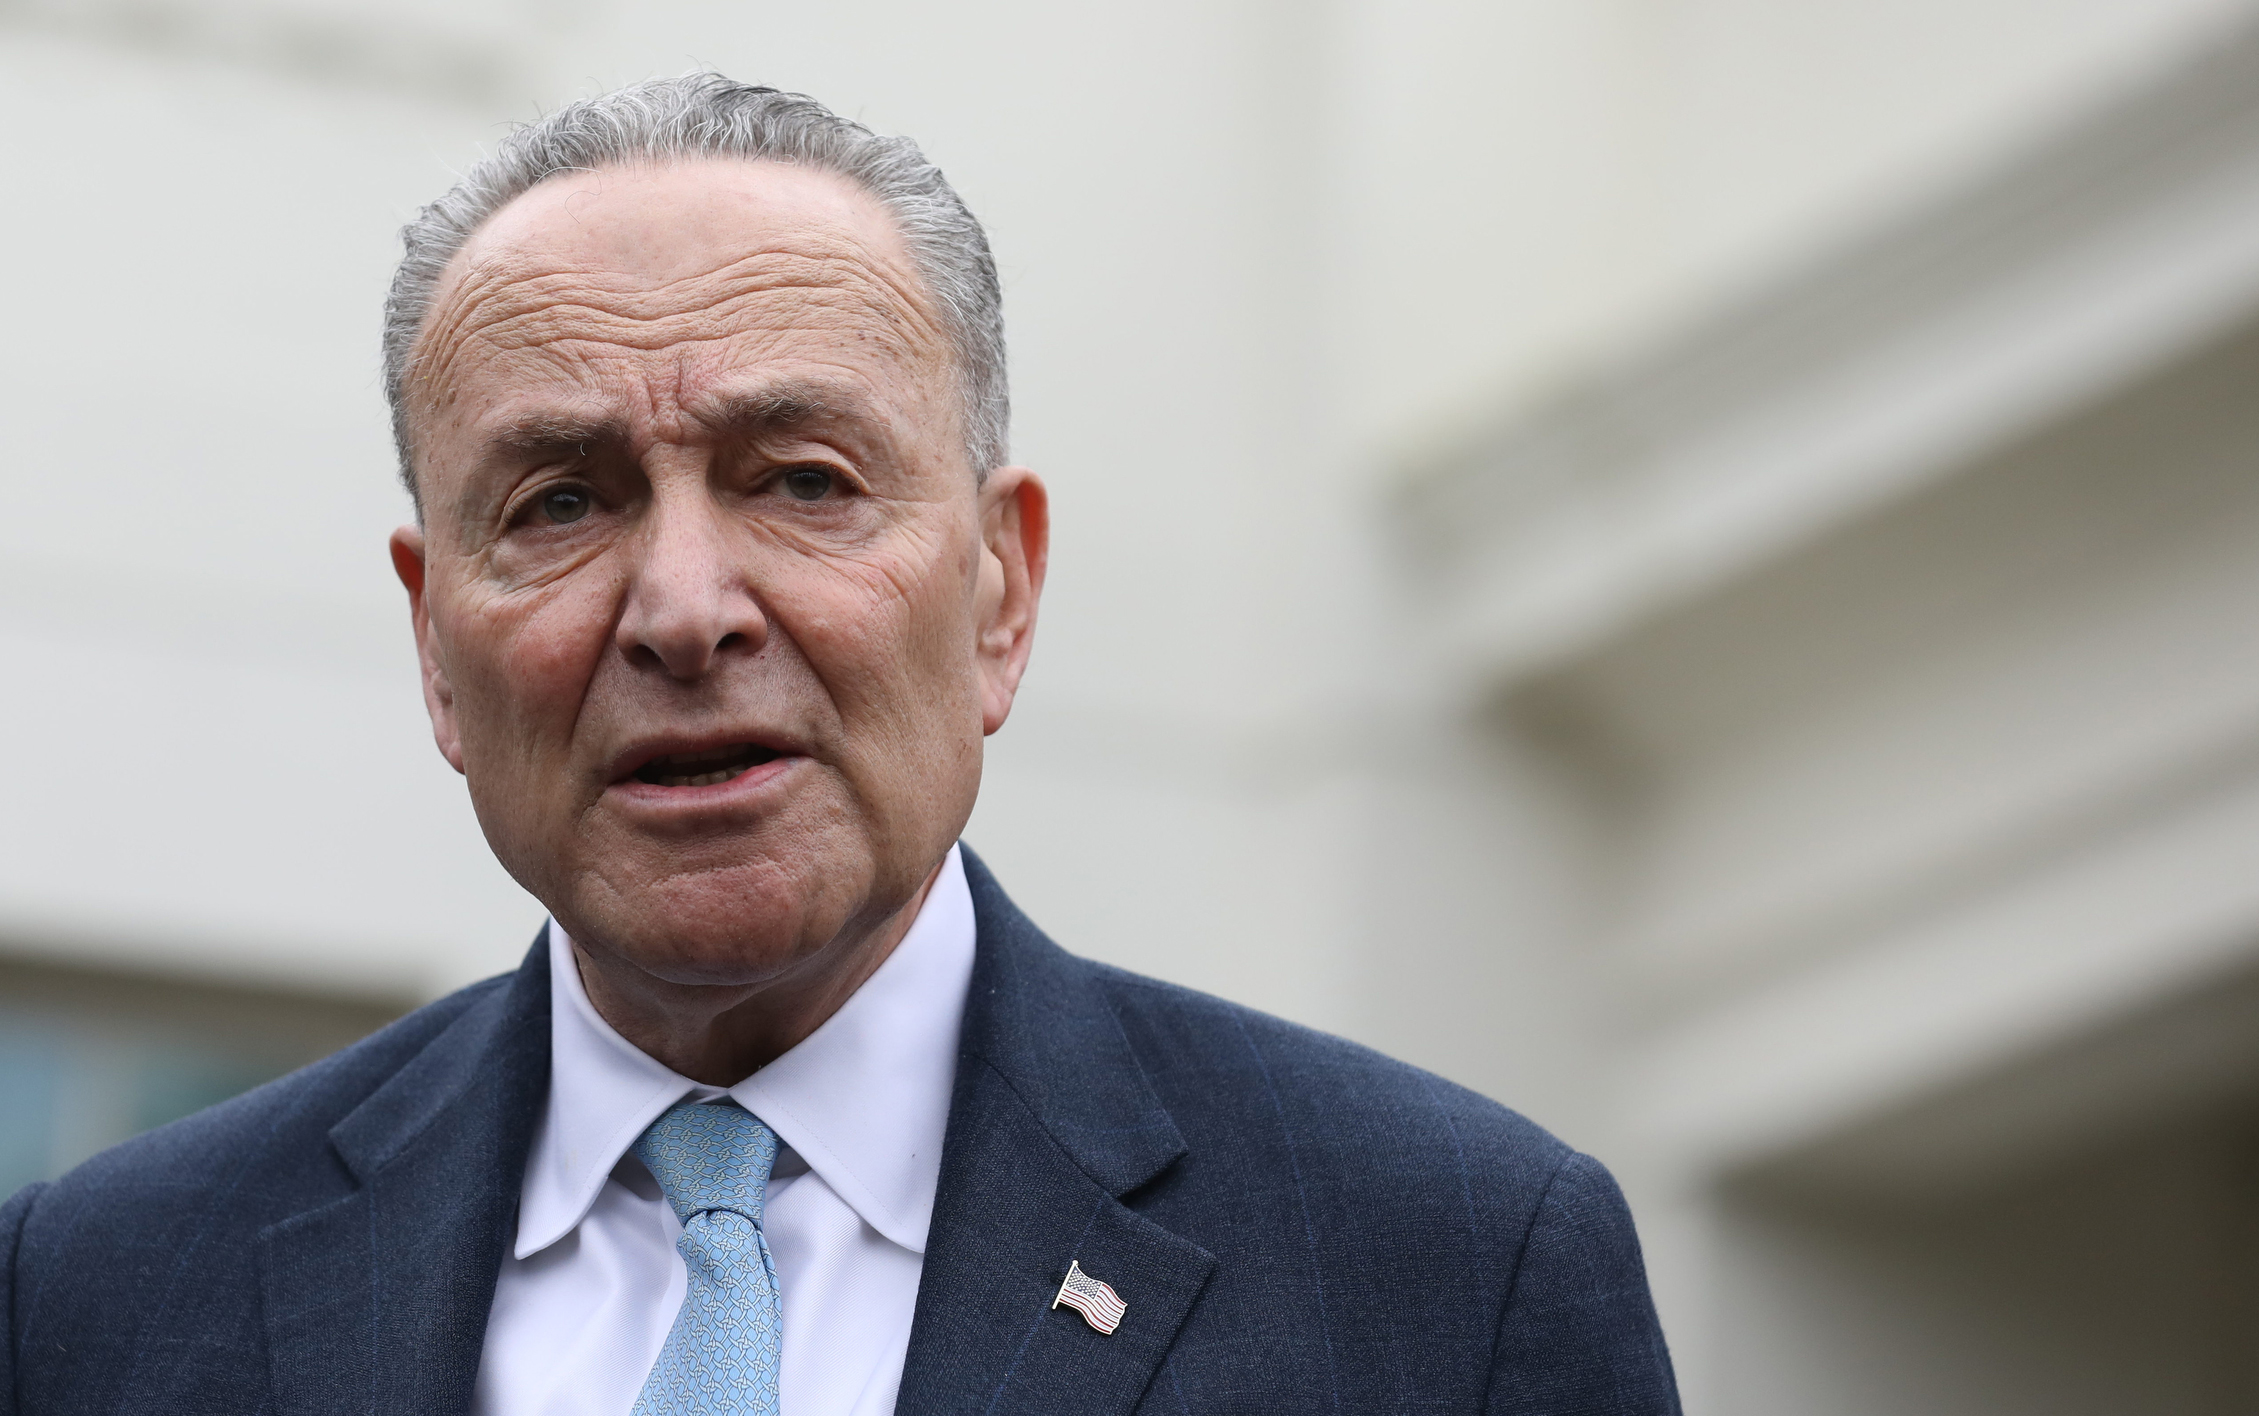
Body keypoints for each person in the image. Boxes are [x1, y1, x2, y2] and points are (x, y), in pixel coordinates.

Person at [0, 76, 1678, 1416]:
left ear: (1001, 590)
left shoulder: (1448, 1270)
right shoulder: (101, 1297)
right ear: (435, 642)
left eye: (801, 482)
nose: (681, 608)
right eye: (562, 502)